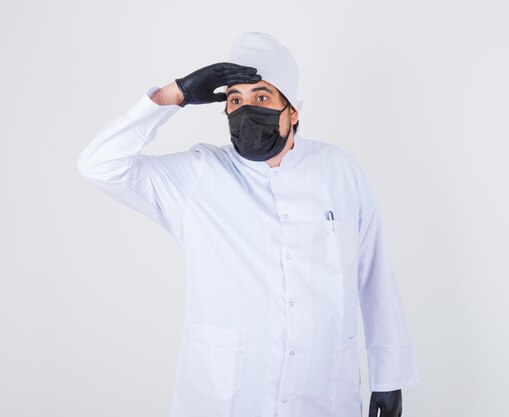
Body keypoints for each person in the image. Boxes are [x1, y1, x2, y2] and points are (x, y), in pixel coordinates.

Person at [77, 32, 418, 417]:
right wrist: (172, 96)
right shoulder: (199, 174)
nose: (245, 109)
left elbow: (375, 278)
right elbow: (98, 166)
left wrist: (390, 377)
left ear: (293, 111)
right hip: (226, 397)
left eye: (261, 97)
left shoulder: (340, 170)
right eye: (235, 99)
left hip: (323, 392)